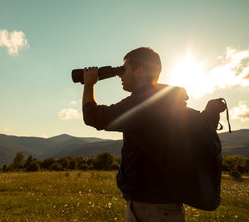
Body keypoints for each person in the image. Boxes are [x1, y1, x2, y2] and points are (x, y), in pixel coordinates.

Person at [82, 47, 224, 222]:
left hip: (152, 208)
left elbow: (93, 117)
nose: (120, 75)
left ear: (140, 71)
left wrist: (89, 83)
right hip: (164, 206)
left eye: (123, 69)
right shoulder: (166, 102)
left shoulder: (144, 103)